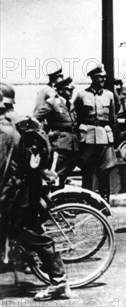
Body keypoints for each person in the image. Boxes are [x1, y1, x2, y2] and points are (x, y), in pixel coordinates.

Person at [0, 93, 72, 301]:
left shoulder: (5, 129)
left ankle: (59, 281)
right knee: (25, 233)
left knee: (27, 234)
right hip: (27, 189)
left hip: (14, 194)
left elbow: (2, 168)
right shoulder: (20, 122)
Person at [73, 65, 116, 202]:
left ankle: (104, 201)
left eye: (104, 77)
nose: (103, 79)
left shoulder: (109, 95)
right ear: (92, 78)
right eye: (99, 77)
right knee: (87, 170)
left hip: (104, 136)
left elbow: (112, 117)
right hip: (88, 136)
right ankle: (86, 200)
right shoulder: (82, 95)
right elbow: (77, 115)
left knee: (105, 169)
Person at [33, 77, 78, 187]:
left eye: (72, 90)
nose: (71, 92)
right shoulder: (52, 102)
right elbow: (35, 119)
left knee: (64, 174)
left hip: (72, 144)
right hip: (59, 144)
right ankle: (50, 194)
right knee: (54, 174)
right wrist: (45, 135)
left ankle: (59, 194)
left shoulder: (69, 104)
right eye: (69, 90)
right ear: (61, 90)